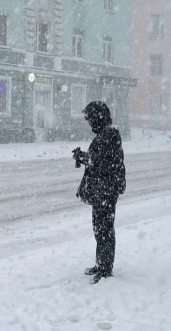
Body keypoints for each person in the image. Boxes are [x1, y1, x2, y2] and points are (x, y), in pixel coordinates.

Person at [74, 101, 126, 284]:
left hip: (106, 190)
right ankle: (101, 263)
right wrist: (85, 158)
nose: (89, 123)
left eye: (90, 119)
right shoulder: (106, 134)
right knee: (100, 229)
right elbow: (99, 161)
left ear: (98, 117)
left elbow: (101, 162)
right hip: (103, 189)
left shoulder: (109, 134)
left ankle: (105, 269)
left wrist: (84, 158)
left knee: (104, 230)